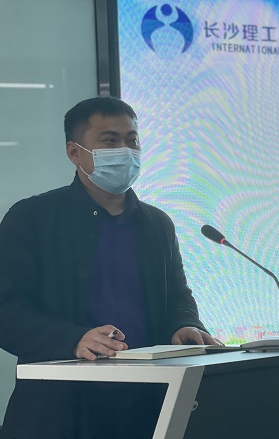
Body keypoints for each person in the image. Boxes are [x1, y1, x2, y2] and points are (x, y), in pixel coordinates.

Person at [0, 97, 219, 438]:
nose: (125, 151)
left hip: (150, 409)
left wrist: (185, 324)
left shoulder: (156, 223)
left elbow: (178, 295)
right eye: (110, 141)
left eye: (132, 140)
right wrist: (72, 339)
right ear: (74, 153)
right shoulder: (31, 218)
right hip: (62, 413)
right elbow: (6, 310)